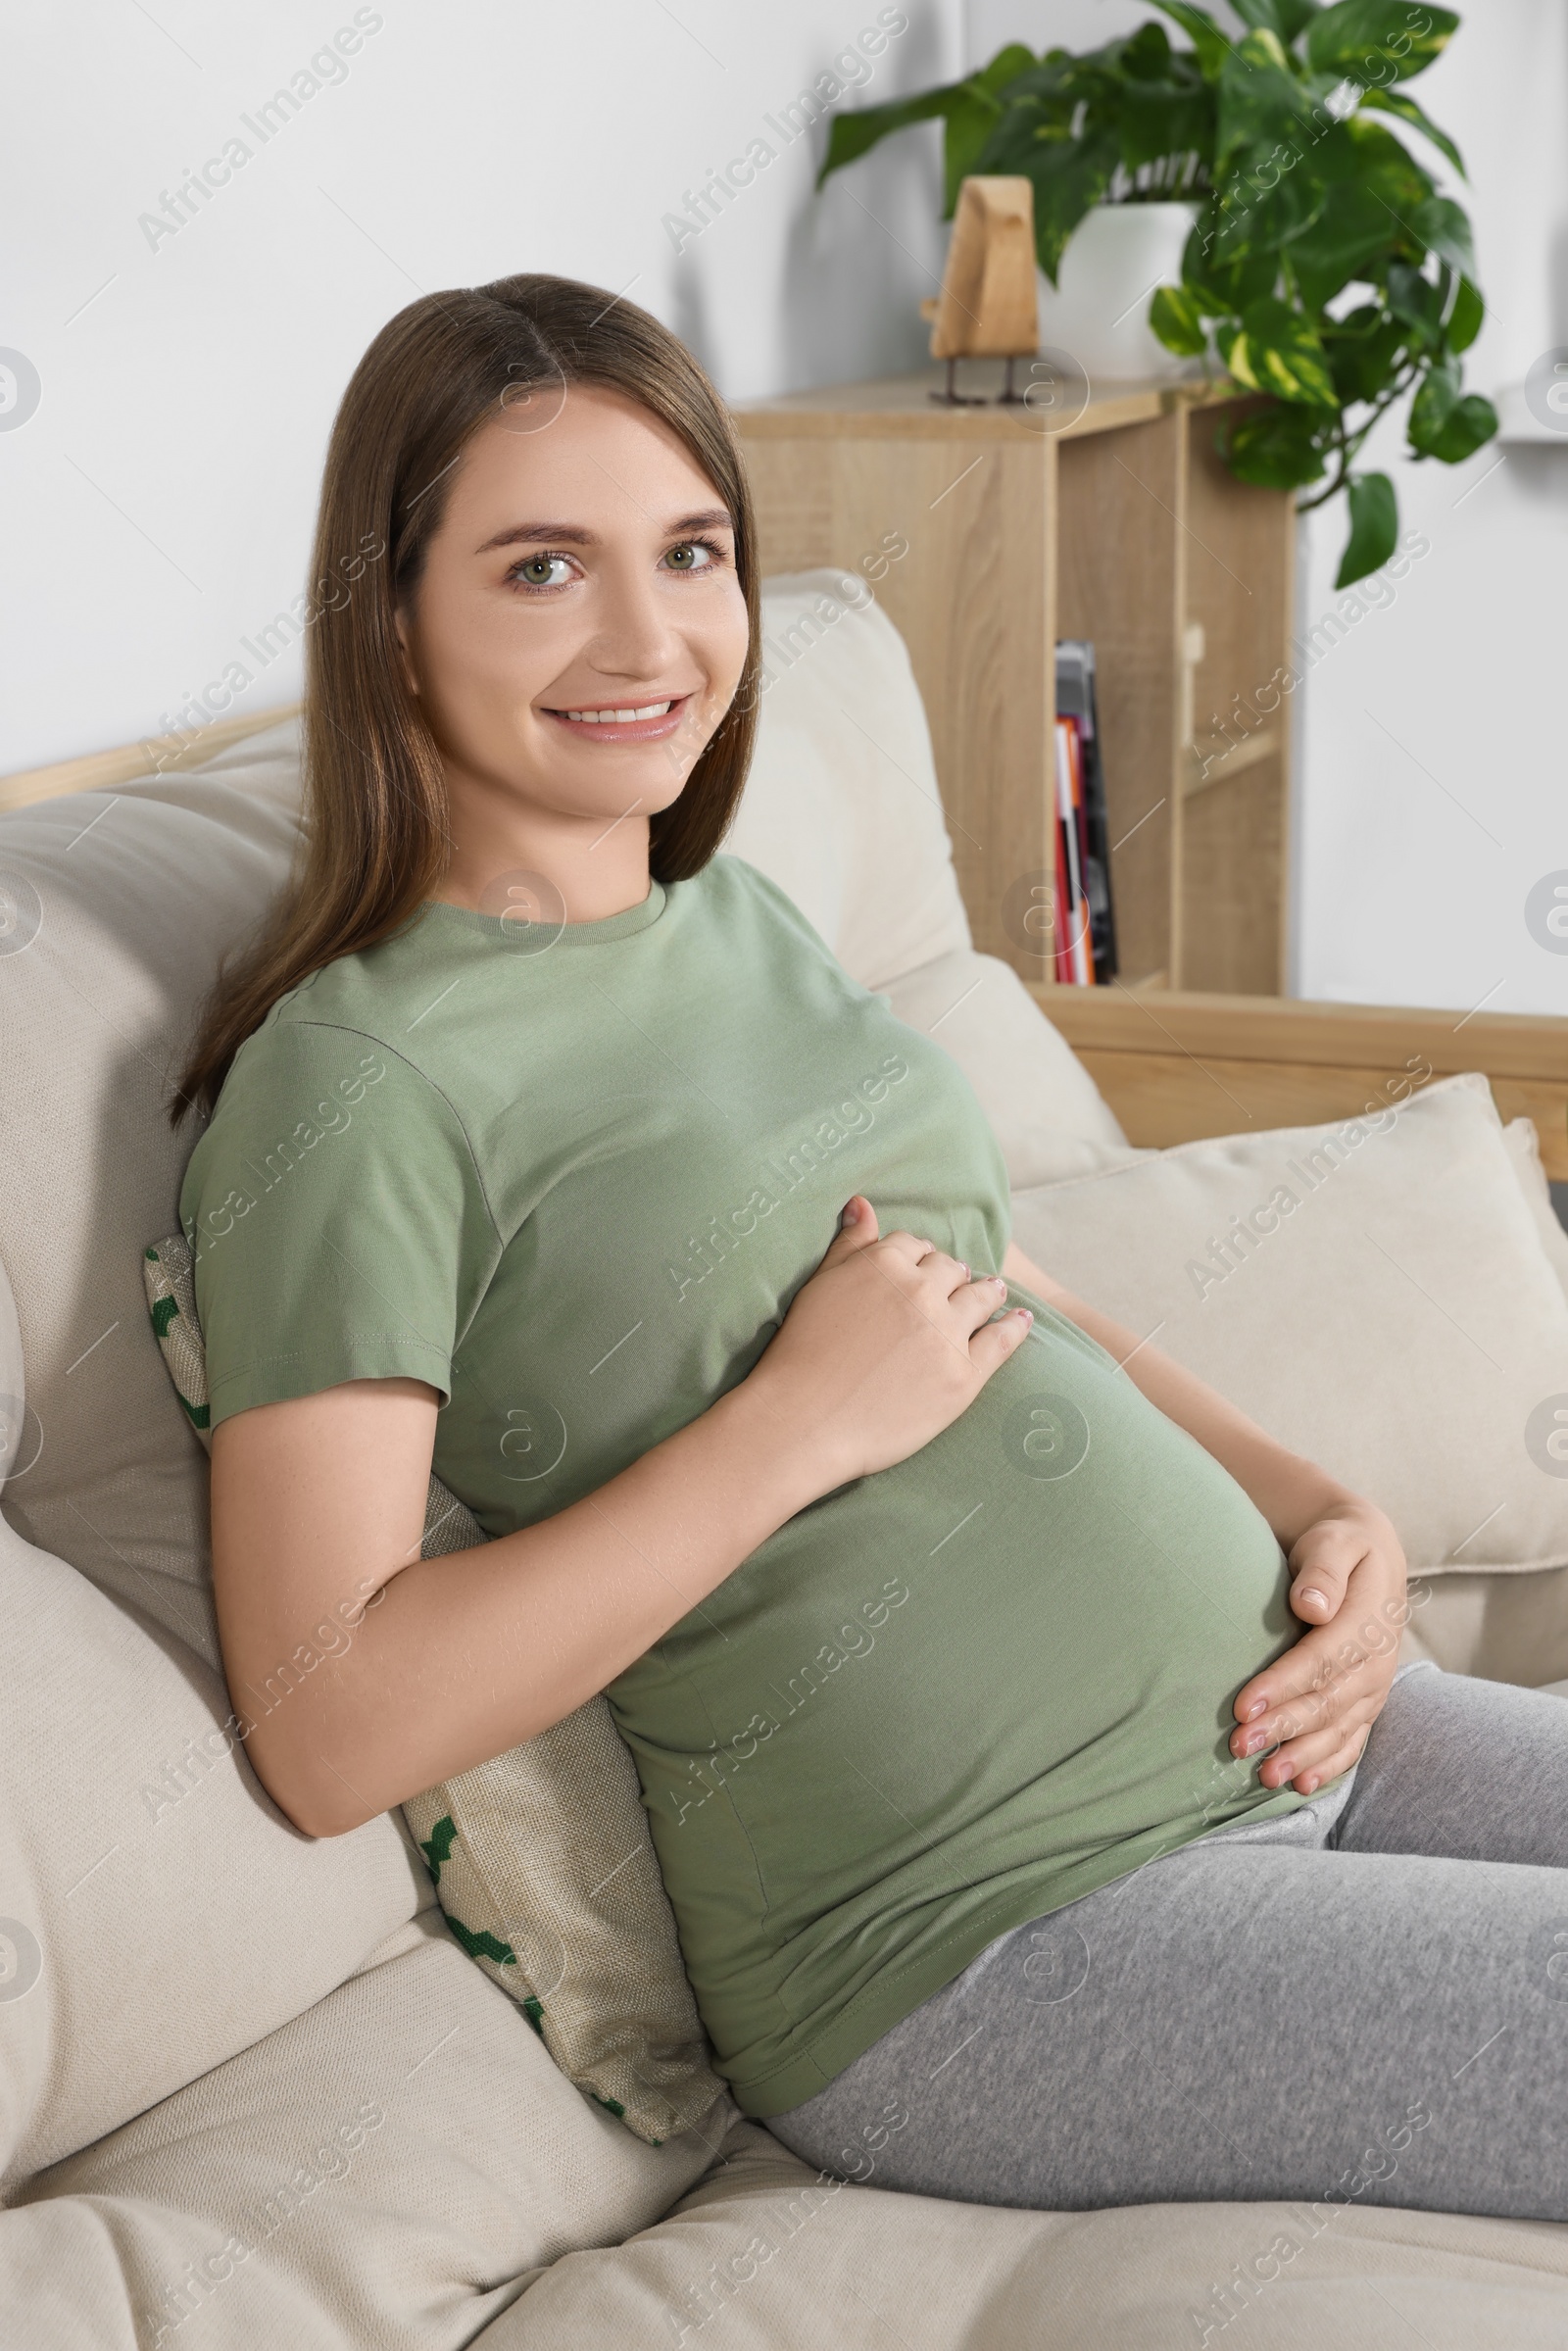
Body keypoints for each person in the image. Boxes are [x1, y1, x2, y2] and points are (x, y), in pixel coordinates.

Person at [175, 273, 1568, 2225]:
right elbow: (329, 1718)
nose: (650, 637)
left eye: (691, 553)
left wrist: (1316, 1505)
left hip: (1296, 1727)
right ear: (387, 619)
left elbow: (979, 1286)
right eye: (542, 569)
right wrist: (784, 1433)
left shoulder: (727, 918)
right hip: (986, 1944)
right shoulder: (351, 1089)